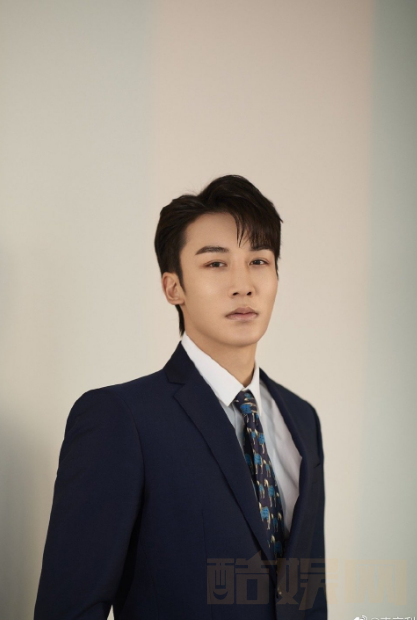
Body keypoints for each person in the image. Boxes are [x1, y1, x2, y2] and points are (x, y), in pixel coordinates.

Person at [33, 174, 327, 620]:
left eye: (259, 261)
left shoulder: (302, 420)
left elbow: (307, 596)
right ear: (173, 287)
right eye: (216, 263)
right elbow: (69, 608)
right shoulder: (122, 418)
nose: (243, 284)